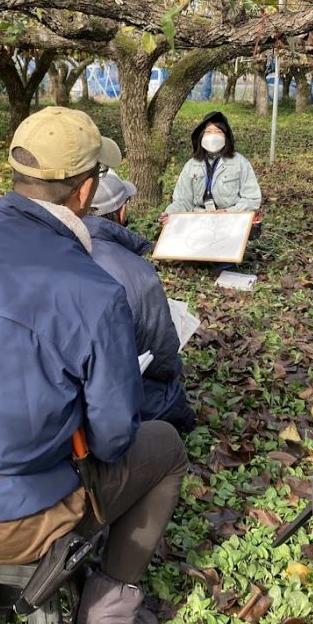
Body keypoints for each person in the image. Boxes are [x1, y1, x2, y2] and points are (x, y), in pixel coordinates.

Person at [0, 106, 188, 624]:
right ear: (86, 192)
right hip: (20, 519)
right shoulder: (92, 289)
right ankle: (108, 611)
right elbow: (115, 439)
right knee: (166, 449)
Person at [84, 170, 196, 433]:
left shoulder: (53, 247)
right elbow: (161, 353)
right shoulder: (135, 271)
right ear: (121, 212)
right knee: (172, 404)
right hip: (110, 398)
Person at [162, 111, 261, 218]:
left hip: (231, 219)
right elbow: (182, 200)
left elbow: (252, 199)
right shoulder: (191, 165)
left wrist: (229, 212)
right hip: (198, 218)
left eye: (218, 132)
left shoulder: (240, 163)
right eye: (208, 131)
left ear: (226, 137)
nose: (213, 136)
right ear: (201, 136)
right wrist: (169, 213)